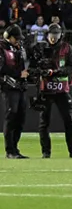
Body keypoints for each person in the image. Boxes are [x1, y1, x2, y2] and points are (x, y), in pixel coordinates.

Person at [32, 23, 72, 159]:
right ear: (47, 35)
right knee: (44, 122)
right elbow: (33, 67)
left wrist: (55, 72)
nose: (53, 38)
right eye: (51, 35)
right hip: (45, 90)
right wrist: (41, 71)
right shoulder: (40, 47)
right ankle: (46, 151)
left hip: (62, 90)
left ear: (60, 35)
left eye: (56, 35)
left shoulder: (66, 48)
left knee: (69, 121)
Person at [2, 25, 31, 159]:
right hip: (9, 86)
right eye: (15, 38)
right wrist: (19, 74)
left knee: (20, 117)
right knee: (12, 115)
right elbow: (1, 69)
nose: (18, 40)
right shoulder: (1, 48)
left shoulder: (19, 48)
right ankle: (10, 150)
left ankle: (15, 147)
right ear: (8, 36)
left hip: (21, 86)